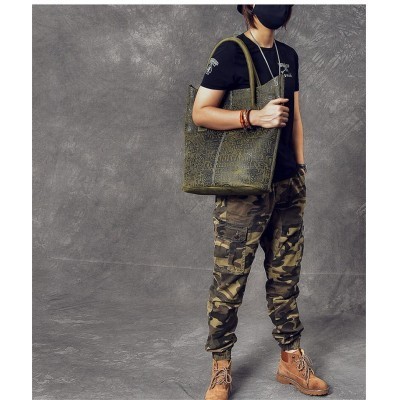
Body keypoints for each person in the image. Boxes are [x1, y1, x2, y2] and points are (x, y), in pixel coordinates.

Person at [192, 5, 330, 399]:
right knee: (230, 281)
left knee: (286, 278)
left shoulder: (288, 55)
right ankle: (220, 366)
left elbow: (296, 117)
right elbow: (200, 112)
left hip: (287, 184)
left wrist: (300, 170)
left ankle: (290, 359)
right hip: (243, 187)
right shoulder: (231, 51)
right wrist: (252, 117)